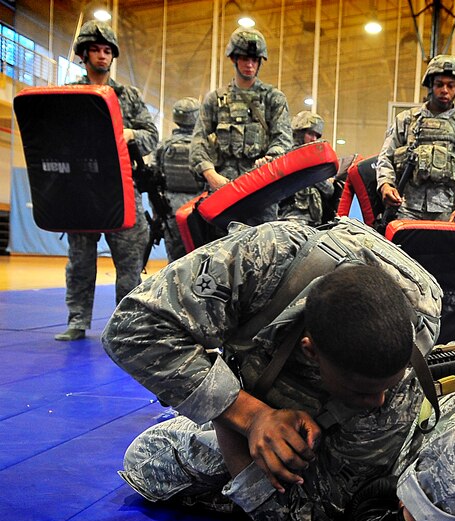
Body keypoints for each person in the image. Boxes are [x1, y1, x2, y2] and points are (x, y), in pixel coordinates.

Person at [101, 218, 444, 521]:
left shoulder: (406, 367)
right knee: (147, 463)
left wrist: (241, 437)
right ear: (310, 352)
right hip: (268, 360)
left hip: (346, 400)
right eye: (362, 391)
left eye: (386, 386)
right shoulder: (264, 259)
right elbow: (131, 327)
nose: (377, 402)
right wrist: (246, 415)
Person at [54, 20, 158, 341]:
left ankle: (124, 325)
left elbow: (151, 136)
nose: (102, 56)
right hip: (81, 191)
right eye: (95, 50)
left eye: (107, 50)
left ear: (112, 56)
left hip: (121, 189)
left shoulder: (128, 96)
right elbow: (54, 133)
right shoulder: (70, 94)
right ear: (84, 55)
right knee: (80, 262)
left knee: (129, 263)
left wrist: (130, 133)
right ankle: (77, 321)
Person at [189, 27, 292, 225]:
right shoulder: (216, 100)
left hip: (261, 189)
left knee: (262, 247)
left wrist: (270, 159)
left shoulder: (273, 98)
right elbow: (199, 139)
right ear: (234, 59)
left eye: (255, 60)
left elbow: (283, 138)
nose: (250, 64)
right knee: (220, 248)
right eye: (245, 58)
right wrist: (210, 174)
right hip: (222, 188)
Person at [376, 54, 455, 227]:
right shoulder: (406, 120)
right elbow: (385, 158)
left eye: (451, 85)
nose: (444, 90)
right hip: (405, 208)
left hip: (448, 212)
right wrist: (386, 186)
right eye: (439, 84)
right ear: (430, 86)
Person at [154, 97, 205, 261]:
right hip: (199, 207)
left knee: (175, 260)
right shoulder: (205, 144)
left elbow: (155, 179)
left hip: (171, 208)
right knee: (200, 257)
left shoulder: (164, 145)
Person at [275, 111, 337, 226]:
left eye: (317, 136)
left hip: (313, 221)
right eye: (310, 134)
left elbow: (329, 190)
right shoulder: (285, 158)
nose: (314, 139)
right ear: (299, 133)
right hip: (290, 220)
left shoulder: (316, 160)